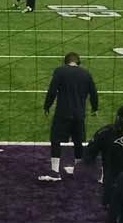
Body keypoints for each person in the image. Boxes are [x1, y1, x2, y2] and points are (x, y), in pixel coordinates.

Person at [41, 52, 98, 181]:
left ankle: (55, 171)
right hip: (79, 114)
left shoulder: (60, 71)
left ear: (65, 62)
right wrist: (95, 108)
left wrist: (47, 106)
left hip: (63, 112)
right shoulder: (86, 73)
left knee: (55, 139)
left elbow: (52, 91)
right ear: (78, 62)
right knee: (78, 141)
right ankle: (79, 170)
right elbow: (93, 93)